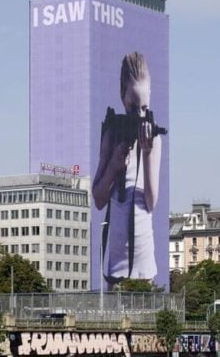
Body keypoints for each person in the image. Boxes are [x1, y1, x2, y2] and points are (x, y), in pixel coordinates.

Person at [92, 51, 163, 289]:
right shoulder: (112, 135)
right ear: (122, 97)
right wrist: (114, 166)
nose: (139, 115)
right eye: (133, 107)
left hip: (144, 259)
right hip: (116, 262)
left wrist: (147, 152)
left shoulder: (153, 139)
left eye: (144, 107)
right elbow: (99, 199)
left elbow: (151, 202)